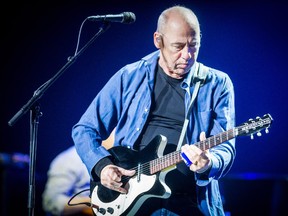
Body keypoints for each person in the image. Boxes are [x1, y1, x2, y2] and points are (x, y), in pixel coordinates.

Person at [72, 5, 236, 216]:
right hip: (130, 199)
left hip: (190, 202)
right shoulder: (129, 76)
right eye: (178, 46)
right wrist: (103, 166)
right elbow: (84, 129)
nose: (187, 55)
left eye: (193, 45)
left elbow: (226, 149)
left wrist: (208, 162)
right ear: (158, 40)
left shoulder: (218, 84)